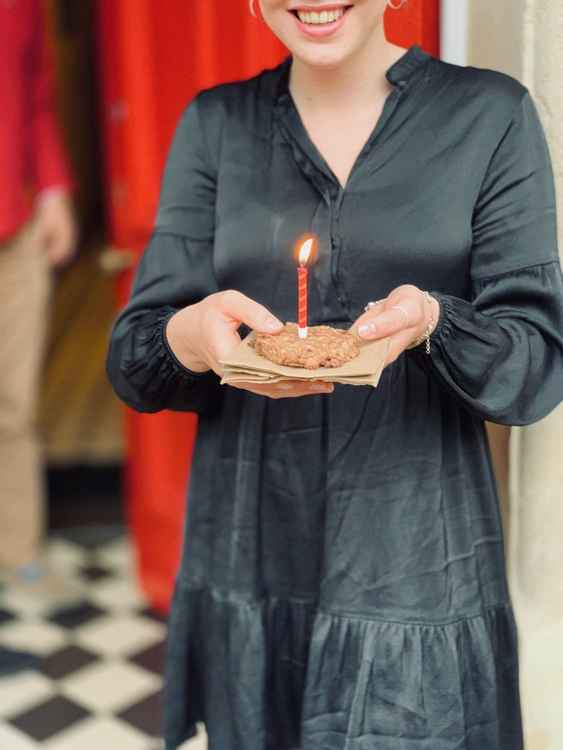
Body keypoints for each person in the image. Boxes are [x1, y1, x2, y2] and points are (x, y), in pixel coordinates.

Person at [106, 0, 563, 747]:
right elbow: (134, 361)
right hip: (250, 545)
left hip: (416, 557)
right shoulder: (216, 123)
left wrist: (432, 323)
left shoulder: (488, 115)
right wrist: (190, 336)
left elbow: (532, 365)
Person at [0, 1, 76, 674]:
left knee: (13, 406)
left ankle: (18, 552)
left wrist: (52, 190)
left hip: (12, 225)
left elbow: (34, 90)